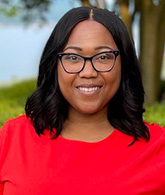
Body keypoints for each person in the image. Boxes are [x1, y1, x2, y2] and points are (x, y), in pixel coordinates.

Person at [0, 6, 164, 195]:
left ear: (124, 65)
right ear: (55, 65)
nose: (88, 72)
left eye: (103, 57)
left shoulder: (158, 149)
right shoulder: (13, 138)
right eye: (73, 57)